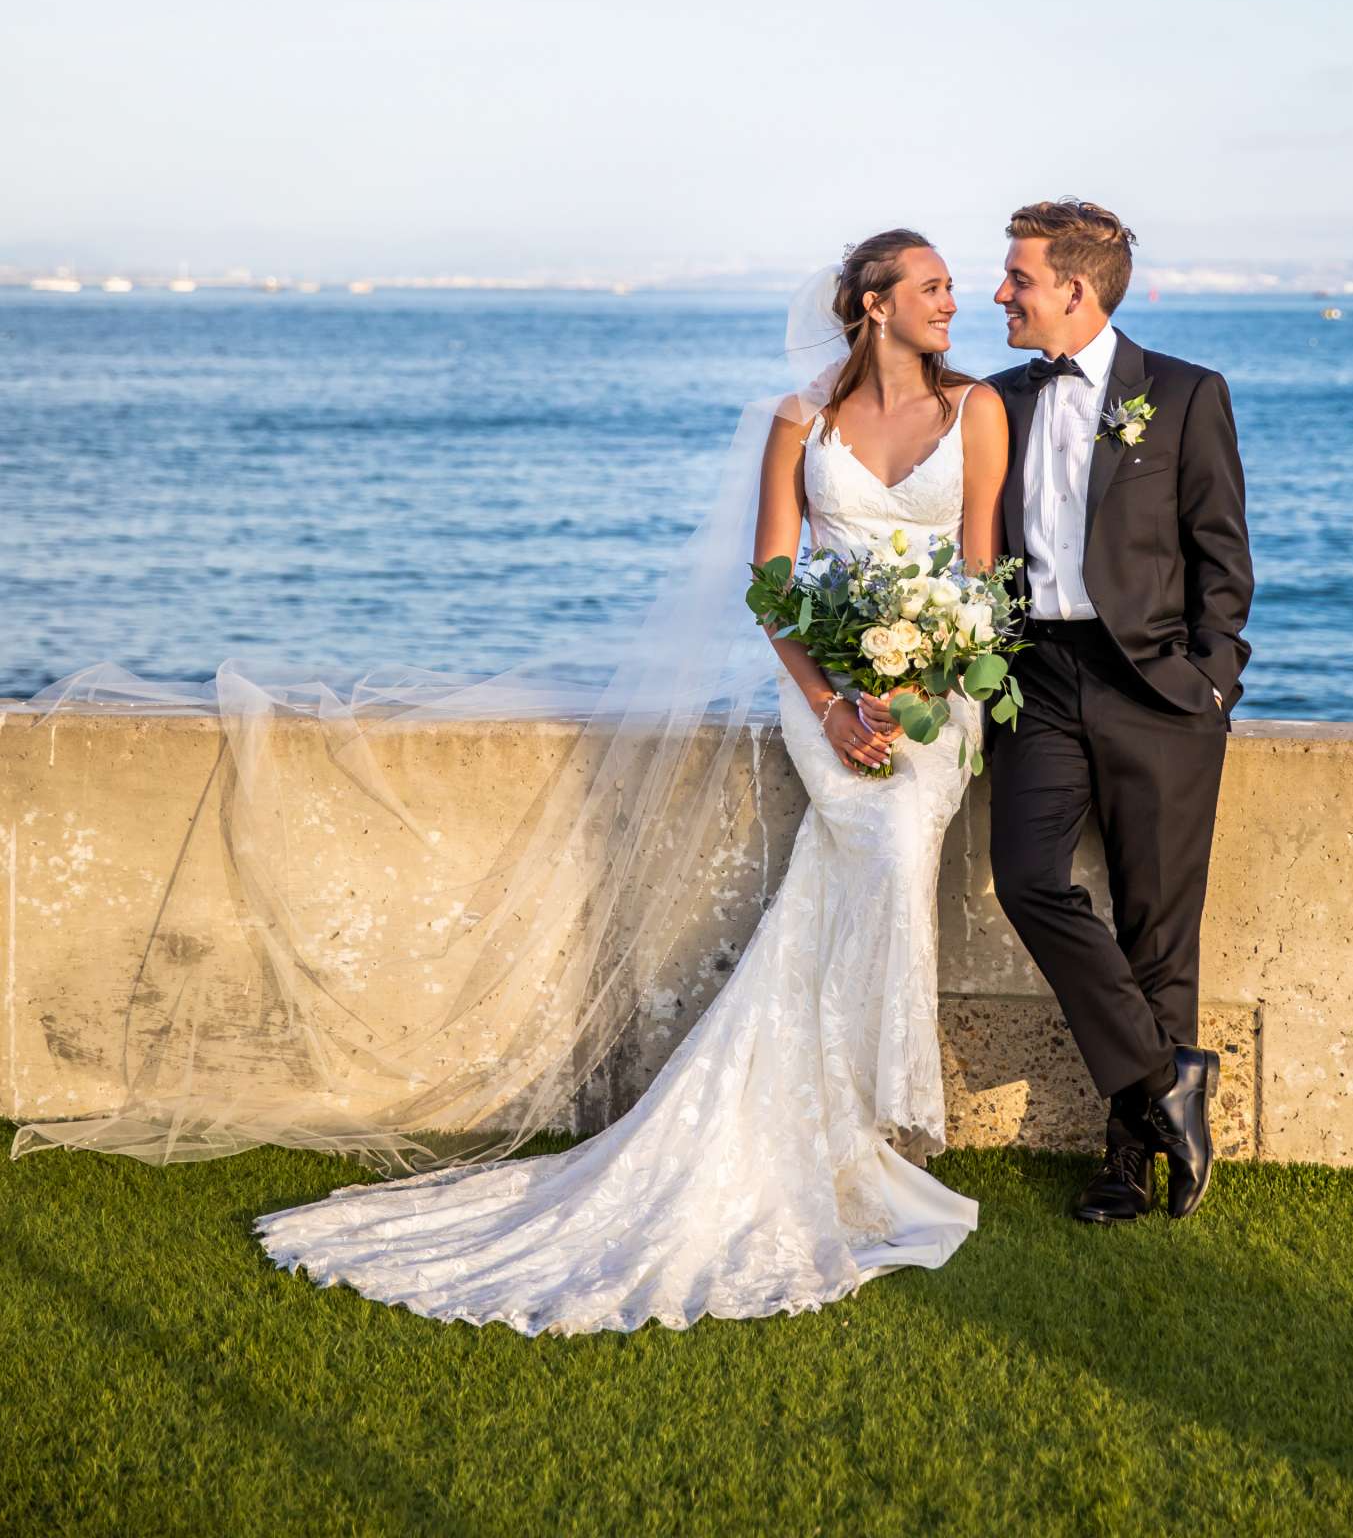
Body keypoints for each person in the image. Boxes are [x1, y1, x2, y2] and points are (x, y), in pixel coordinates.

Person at [245, 230, 1011, 1334]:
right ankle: (847, 1129)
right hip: (824, 696)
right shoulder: (797, 422)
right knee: (865, 858)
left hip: (937, 693)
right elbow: (770, 582)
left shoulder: (974, 410)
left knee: (886, 856)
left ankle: (850, 1126)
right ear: (873, 306)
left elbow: (982, 574)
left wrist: (927, 676)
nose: (954, 302)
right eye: (933, 287)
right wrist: (833, 701)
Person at [986, 199, 1253, 1224]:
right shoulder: (994, 401)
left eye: (1016, 277)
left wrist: (1211, 682)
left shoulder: (1183, 395)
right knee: (1027, 878)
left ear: (1074, 289)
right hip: (1039, 675)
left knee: (1157, 929)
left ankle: (1124, 1163)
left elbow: (1221, 558)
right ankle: (1164, 1084)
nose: (999, 293)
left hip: (1158, 688)